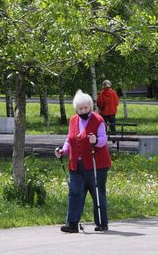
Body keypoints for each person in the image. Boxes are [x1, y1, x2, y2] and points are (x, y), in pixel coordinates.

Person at [55, 90, 112, 233]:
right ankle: (72, 224)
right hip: (76, 164)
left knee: (97, 194)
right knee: (74, 193)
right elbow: (70, 139)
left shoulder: (98, 120)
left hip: (96, 165)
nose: (83, 110)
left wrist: (96, 140)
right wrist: (63, 151)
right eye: (80, 108)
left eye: (86, 108)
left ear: (90, 107)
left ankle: (101, 223)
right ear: (76, 109)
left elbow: (103, 140)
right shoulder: (73, 120)